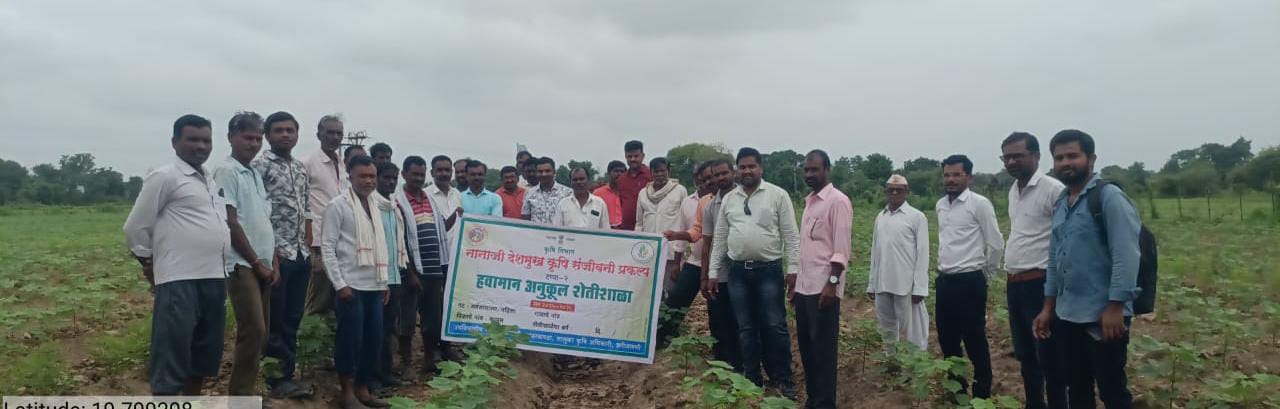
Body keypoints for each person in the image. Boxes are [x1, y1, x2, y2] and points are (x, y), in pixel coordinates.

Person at [1034, 130, 1141, 409]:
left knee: (1112, 391)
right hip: (1067, 314)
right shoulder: (1062, 202)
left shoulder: (1109, 198)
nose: (1065, 163)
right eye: (1059, 158)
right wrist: (1048, 307)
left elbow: (1126, 255)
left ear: (1091, 159)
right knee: (1077, 387)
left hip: (1103, 316)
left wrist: (1116, 306)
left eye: (1073, 156)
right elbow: (1055, 259)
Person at [123, 114, 229, 395]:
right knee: (172, 352)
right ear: (175, 142)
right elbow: (135, 227)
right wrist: (148, 263)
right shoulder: (165, 176)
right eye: (192, 139)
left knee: (203, 355)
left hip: (214, 276)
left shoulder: (208, 179)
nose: (201, 146)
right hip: (179, 278)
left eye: (206, 140)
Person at [709, 147, 800, 397]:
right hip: (738, 272)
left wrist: (793, 269)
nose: (747, 171)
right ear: (737, 170)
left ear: (761, 168)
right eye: (742, 167)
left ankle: (783, 378)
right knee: (746, 328)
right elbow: (720, 238)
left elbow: (791, 235)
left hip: (769, 270)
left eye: (751, 166)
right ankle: (752, 379)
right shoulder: (730, 199)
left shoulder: (777, 195)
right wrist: (713, 272)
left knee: (774, 325)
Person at [321, 155, 404, 409]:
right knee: (350, 340)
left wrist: (384, 283)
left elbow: (381, 247)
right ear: (350, 177)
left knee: (373, 339)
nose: (368, 181)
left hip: (375, 285)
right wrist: (339, 284)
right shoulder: (338, 205)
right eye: (363, 176)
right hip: (350, 286)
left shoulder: (378, 205)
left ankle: (363, 389)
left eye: (372, 176)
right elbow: (327, 247)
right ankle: (346, 392)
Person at [212, 112, 278, 398]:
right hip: (242, 264)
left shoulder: (252, 173)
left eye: (258, 139)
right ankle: (239, 399)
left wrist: (272, 261)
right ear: (231, 137)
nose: (254, 144)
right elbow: (230, 222)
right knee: (253, 331)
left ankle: (249, 394)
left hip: (263, 263)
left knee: (261, 334)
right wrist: (255, 261)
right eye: (248, 137)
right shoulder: (227, 171)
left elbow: (262, 220)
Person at [1002, 132, 1068, 409]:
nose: (1012, 162)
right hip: (1015, 284)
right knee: (1026, 355)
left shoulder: (1053, 189)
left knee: (1049, 356)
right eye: (1007, 157)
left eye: (1018, 156)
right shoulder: (1013, 190)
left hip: (1041, 283)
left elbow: (1065, 240)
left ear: (1037, 156)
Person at [253, 111, 314, 398]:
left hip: (300, 253)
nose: (285, 135)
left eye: (290, 130)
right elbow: (256, 212)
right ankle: (275, 379)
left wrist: (308, 243)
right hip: (276, 255)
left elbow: (306, 207)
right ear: (267, 135)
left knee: (293, 316)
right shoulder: (259, 166)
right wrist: (269, 253)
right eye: (279, 130)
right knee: (275, 319)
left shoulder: (300, 168)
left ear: (297, 134)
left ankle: (287, 374)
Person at [935, 154, 1004, 399]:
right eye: (947, 175)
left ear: (969, 177)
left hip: (970, 281)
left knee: (975, 340)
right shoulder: (941, 205)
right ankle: (957, 392)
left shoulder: (979, 204)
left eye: (957, 175)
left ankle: (982, 394)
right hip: (945, 281)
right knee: (947, 339)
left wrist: (985, 276)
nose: (951, 180)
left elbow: (995, 243)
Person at [792, 150, 852, 409]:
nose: (809, 174)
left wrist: (832, 284)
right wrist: (796, 284)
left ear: (827, 169)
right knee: (807, 348)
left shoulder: (838, 201)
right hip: (805, 287)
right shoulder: (810, 203)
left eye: (814, 169)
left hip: (824, 288)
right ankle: (813, 399)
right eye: (806, 170)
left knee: (824, 351)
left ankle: (825, 403)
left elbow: (841, 248)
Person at [391, 156, 454, 375]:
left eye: (421, 174)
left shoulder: (430, 200)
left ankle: (429, 360)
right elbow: (399, 240)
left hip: (434, 269)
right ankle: (407, 363)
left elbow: (440, 230)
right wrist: (411, 274)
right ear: (404, 174)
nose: (418, 178)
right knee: (407, 320)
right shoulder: (397, 203)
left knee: (433, 318)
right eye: (414, 174)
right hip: (410, 272)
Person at [867, 175, 931, 350]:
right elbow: (875, 251)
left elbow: (923, 253)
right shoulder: (881, 216)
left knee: (913, 328)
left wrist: (920, 288)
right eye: (891, 190)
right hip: (882, 282)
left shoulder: (917, 217)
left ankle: (917, 360)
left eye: (899, 190)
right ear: (886, 192)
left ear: (907, 192)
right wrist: (872, 284)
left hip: (906, 284)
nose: (894, 193)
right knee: (886, 326)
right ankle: (891, 358)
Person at [658, 163, 714, 344]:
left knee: (716, 309)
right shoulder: (689, 202)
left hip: (718, 266)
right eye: (698, 177)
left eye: (706, 177)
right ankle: (661, 339)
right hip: (695, 261)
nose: (702, 181)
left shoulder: (724, 200)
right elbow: (690, 232)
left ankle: (720, 348)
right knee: (676, 301)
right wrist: (676, 262)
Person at [698, 159, 742, 369]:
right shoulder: (710, 207)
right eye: (715, 175)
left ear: (733, 172)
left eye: (723, 173)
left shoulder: (746, 199)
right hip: (719, 273)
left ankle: (744, 364)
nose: (719, 178)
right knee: (719, 318)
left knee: (742, 320)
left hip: (743, 271)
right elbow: (707, 244)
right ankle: (724, 362)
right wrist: (704, 276)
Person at [304, 114, 348, 315]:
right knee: (318, 297)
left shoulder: (343, 164)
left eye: (339, 133)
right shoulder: (308, 163)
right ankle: (308, 332)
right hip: (318, 240)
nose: (335, 137)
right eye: (330, 132)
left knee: (336, 296)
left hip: (342, 239)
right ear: (319, 135)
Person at [373, 161, 409, 392]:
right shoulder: (371, 206)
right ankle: (371, 377)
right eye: (386, 177)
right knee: (374, 331)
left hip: (395, 276)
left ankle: (385, 373)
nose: (391, 182)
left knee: (388, 329)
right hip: (376, 278)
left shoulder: (394, 207)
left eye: (394, 178)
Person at [636, 157, 688, 292]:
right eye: (656, 171)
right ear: (651, 173)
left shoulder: (680, 190)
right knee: (649, 291)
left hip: (671, 250)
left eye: (663, 171)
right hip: (648, 251)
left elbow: (684, 222)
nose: (659, 174)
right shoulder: (643, 193)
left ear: (668, 171)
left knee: (670, 289)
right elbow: (639, 223)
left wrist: (679, 254)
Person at [521, 157, 573, 224]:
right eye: (540, 171)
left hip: (560, 230)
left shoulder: (567, 193)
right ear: (536, 172)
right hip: (536, 231)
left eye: (547, 171)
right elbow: (526, 219)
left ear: (554, 171)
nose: (544, 174)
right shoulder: (529, 193)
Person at [616, 140, 652, 230]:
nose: (633, 159)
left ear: (643, 156)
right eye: (629, 156)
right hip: (627, 229)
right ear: (625, 156)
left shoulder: (651, 176)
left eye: (636, 156)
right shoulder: (621, 179)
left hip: (647, 228)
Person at [593, 160, 626, 228]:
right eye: (616, 171)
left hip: (625, 231)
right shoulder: (598, 193)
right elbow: (593, 215)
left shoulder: (629, 193)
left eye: (622, 172)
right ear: (608, 173)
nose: (619, 174)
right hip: (605, 231)